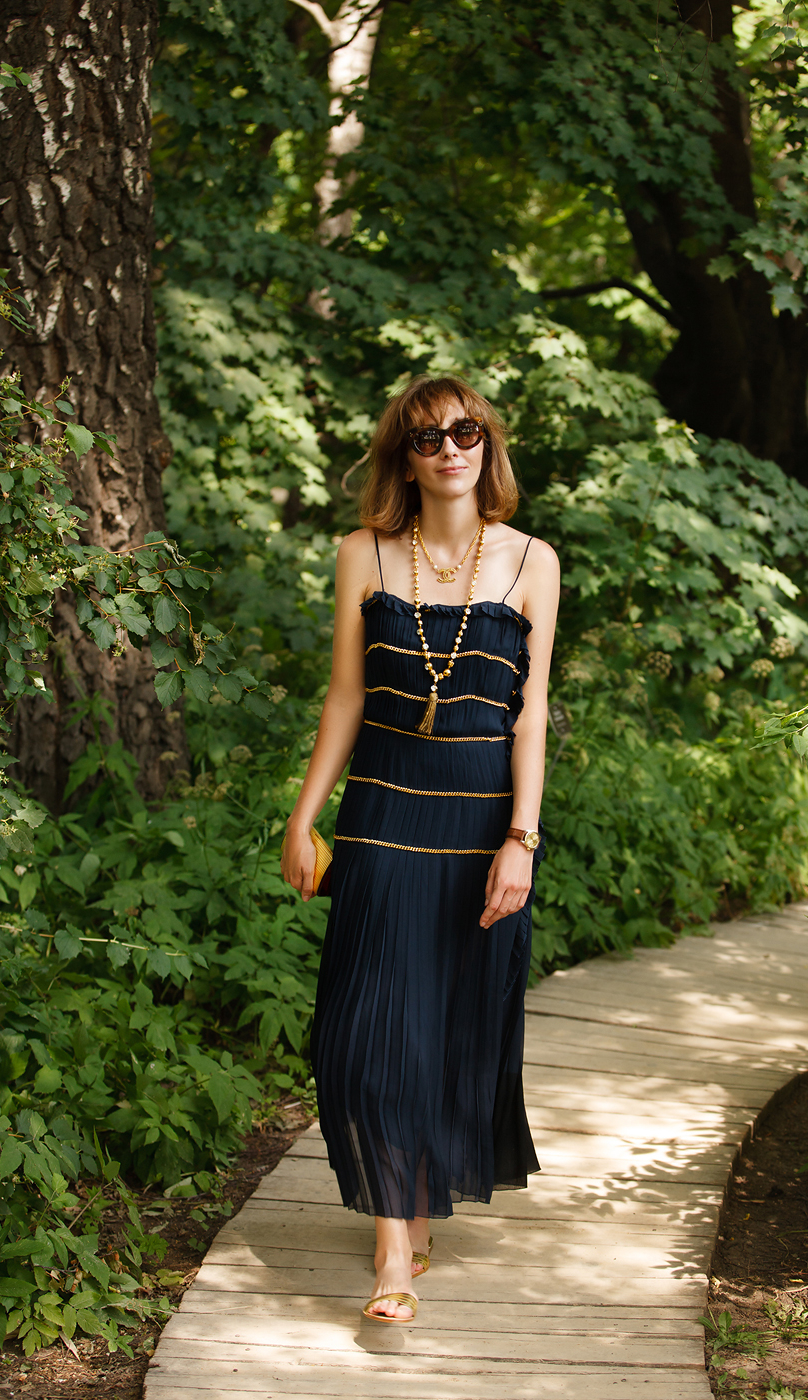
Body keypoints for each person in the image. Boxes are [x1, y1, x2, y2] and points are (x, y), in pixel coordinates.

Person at [280, 374, 559, 1323]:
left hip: (481, 827)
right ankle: (391, 1254)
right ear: (404, 456)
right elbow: (345, 697)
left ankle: (412, 1202)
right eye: (428, 437)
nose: (449, 449)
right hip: (380, 820)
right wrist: (301, 815)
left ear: (487, 443)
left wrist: (521, 837)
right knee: (364, 1036)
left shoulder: (532, 561)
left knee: (448, 1034)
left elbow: (530, 718)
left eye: (465, 431)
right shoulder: (362, 554)